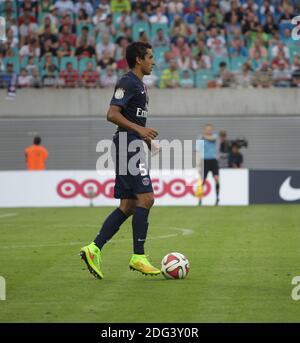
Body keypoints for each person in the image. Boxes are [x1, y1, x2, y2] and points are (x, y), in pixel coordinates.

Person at [80, 41, 161, 279]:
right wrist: (140, 132)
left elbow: (132, 120)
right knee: (146, 199)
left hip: (133, 144)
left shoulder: (140, 86)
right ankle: (138, 257)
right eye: (150, 57)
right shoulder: (128, 82)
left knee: (128, 205)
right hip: (127, 146)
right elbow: (112, 114)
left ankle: (93, 249)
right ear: (138, 59)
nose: (153, 61)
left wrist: (146, 139)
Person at [196, 124, 220, 205]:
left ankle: (217, 198)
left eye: (210, 129)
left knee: (216, 178)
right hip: (204, 161)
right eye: (207, 129)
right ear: (204, 130)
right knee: (202, 181)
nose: (209, 131)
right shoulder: (200, 138)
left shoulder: (215, 136)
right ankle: (200, 199)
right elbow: (197, 150)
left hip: (213, 160)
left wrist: (204, 136)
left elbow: (212, 139)